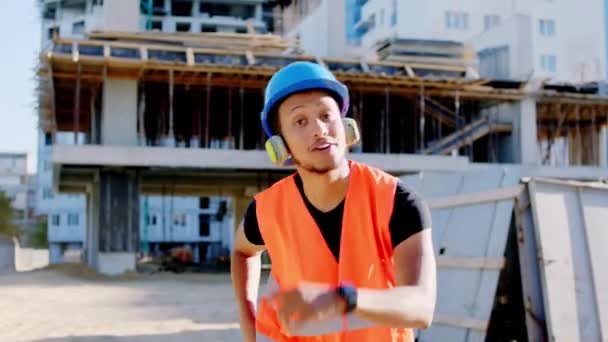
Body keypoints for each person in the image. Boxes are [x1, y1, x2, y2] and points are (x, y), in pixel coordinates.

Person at [230, 61, 436, 342]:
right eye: (300, 121)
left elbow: (421, 307)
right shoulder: (267, 210)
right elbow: (242, 251)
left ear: (347, 126)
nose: (319, 129)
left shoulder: (397, 201)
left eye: (327, 115)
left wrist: (344, 299)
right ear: (281, 147)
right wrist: (248, 325)